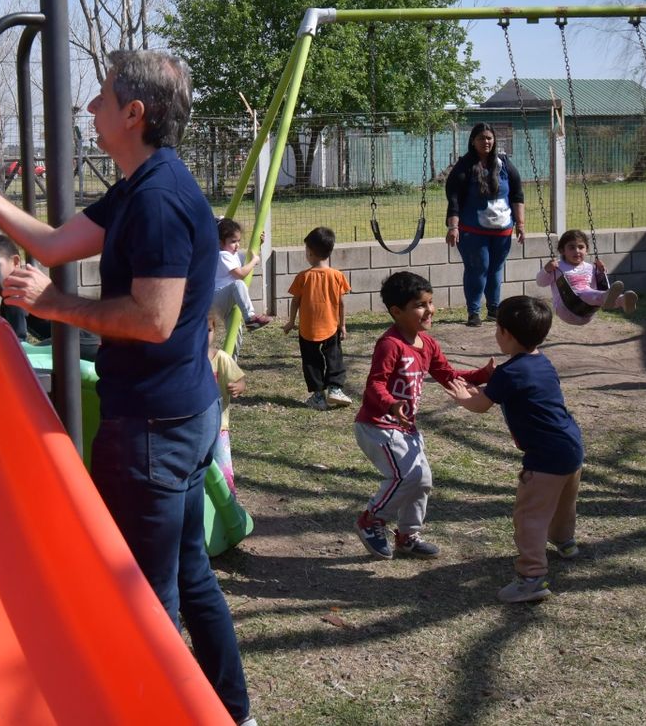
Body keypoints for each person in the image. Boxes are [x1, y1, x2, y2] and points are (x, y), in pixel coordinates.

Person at [0, 49, 253, 724]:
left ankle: (154, 708)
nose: (90, 108)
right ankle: (233, 711)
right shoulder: (142, 184)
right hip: (180, 413)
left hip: (155, 427)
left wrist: (54, 305)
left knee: (144, 596)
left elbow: (153, 318)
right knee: (190, 573)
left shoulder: (160, 200)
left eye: (102, 98)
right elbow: (56, 243)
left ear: (134, 114)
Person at [440, 295, 584, 603]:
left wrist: (463, 397)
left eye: (497, 330)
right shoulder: (541, 361)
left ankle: (532, 577)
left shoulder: (509, 373)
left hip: (544, 458)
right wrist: (486, 388)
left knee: (529, 515)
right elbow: (510, 391)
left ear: (505, 333)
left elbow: (480, 406)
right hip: (571, 447)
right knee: (562, 502)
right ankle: (565, 541)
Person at [354, 271, 494, 560]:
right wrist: (392, 404)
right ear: (396, 311)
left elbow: (447, 375)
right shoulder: (390, 344)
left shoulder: (427, 344)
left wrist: (483, 375)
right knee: (405, 476)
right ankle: (371, 520)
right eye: (420, 305)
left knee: (423, 479)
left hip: (405, 428)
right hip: (378, 425)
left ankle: (407, 535)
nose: (429, 310)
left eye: (430, 302)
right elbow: (375, 384)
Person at [445, 122, 526, 327]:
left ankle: (494, 309)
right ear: (473, 141)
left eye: (489, 138)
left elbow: (517, 195)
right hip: (472, 231)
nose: (486, 141)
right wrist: (453, 227)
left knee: (496, 269)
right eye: (481, 138)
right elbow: (453, 198)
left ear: (494, 140)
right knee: (478, 268)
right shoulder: (464, 166)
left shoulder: (504, 164)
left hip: (502, 230)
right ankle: (474, 312)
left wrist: (521, 225)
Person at [0, 237, 101, 361]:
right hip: (87, 340)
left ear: (15, 262)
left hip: (82, 341)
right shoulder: (15, 292)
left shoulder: (15, 294)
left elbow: (17, 344)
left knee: (20, 354)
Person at [281, 226, 352, 411]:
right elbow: (341, 303)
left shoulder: (303, 277)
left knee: (311, 362)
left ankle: (318, 396)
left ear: (310, 253)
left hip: (308, 329)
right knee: (335, 357)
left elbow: (295, 302)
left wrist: (291, 322)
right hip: (331, 326)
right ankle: (335, 389)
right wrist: (342, 325)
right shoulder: (337, 276)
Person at [536, 229, 638, 325]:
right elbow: (540, 282)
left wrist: (601, 272)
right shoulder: (557, 267)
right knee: (589, 294)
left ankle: (623, 300)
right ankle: (608, 297)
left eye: (581, 247)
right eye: (572, 247)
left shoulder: (590, 267)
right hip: (566, 309)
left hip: (587, 312)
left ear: (587, 250)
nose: (577, 251)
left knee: (592, 293)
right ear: (562, 250)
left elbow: (596, 286)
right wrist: (546, 270)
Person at [211, 218, 273, 332]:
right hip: (218, 298)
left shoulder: (234, 254)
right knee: (238, 284)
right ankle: (250, 319)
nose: (237, 245)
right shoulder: (223, 255)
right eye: (233, 241)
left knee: (235, 332)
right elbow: (240, 274)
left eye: (238, 241)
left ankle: (234, 351)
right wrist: (254, 261)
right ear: (220, 242)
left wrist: (259, 244)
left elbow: (249, 260)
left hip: (227, 300)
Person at [208, 314, 246, 495]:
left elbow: (240, 379)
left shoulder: (220, 358)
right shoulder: (187, 361)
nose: (204, 335)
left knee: (223, 470)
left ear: (214, 331)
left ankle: (230, 502)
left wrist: (238, 387)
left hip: (219, 427)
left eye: (209, 330)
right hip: (194, 428)